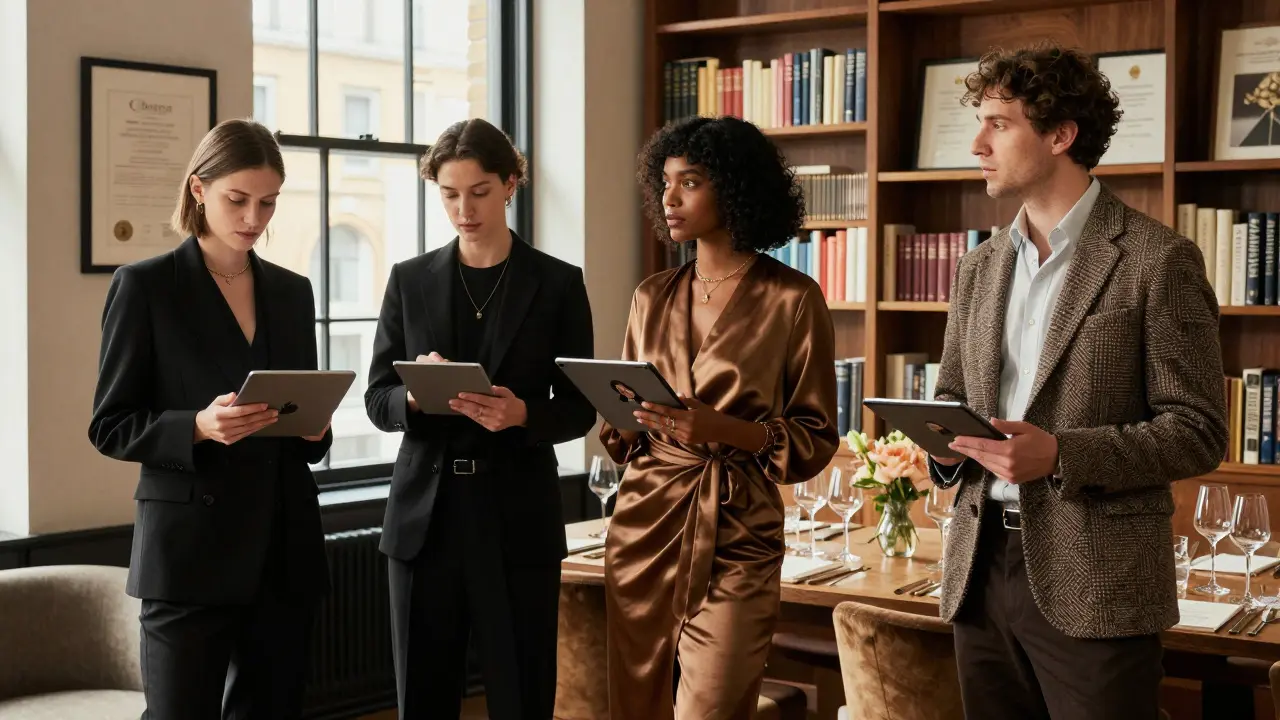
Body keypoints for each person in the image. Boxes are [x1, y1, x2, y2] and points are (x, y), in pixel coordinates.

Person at [928, 44, 1229, 720]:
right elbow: (952, 394)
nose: (977, 143)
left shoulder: (1159, 261)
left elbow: (1200, 430)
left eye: (998, 124)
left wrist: (1061, 454)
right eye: (979, 121)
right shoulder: (977, 267)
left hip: (1098, 584)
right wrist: (943, 441)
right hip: (978, 571)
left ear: (1061, 135)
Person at [88, 118, 332, 720]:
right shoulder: (145, 287)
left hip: (282, 546)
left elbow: (304, 430)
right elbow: (111, 424)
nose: (254, 217)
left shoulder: (292, 292)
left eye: (268, 202)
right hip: (188, 555)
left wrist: (314, 430)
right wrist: (197, 426)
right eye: (238, 199)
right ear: (199, 190)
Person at [600, 115, 840, 720]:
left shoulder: (794, 299)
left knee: (711, 708)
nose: (670, 198)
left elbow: (814, 441)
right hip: (644, 523)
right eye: (666, 182)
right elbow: (622, 434)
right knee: (639, 704)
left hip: (739, 531)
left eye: (691, 182)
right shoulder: (650, 295)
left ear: (732, 188)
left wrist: (722, 430)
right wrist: (623, 412)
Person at [364, 118, 596, 720]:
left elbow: (578, 407)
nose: (463, 209)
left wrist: (523, 414)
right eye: (449, 194)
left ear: (511, 183)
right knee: (423, 700)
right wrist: (414, 398)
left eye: (479, 192)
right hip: (424, 522)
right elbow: (377, 398)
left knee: (522, 696)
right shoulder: (408, 281)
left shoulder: (559, 284)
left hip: (517, 517)